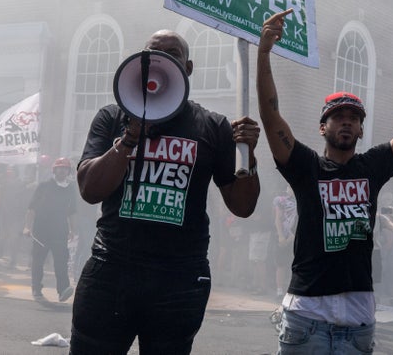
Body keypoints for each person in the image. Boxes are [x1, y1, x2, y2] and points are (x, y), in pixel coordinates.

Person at [256, 9, 393, 353]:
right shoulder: (305, 167)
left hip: (358, 319)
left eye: (353, 118)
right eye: (337, 118)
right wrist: (263, 52)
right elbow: (270, 114)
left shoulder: (373, 166)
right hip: (306, 314)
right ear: (323, 127)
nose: (345, 123)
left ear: (361, 129)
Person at [70, 30, 261, 355]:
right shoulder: (112, 116)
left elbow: (242, 206)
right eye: (151, 55)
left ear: (187, 67)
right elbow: (90, 189)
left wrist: (249, 154)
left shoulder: (212, 126)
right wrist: (130, 137)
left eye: (172, 53)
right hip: (112, 269)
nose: (161, 62)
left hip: (179, 279)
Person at [23, 157, 77, 302]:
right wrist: (27, 227)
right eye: (59, 168)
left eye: (65, 168)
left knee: (61, 261)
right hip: (41, 230)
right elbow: (31, 208)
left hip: (60, 231)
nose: (62, 171)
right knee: (38, 261)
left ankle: (63, 290)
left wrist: (73, 230)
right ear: (54, 170)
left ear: (68, 171)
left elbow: (71, 212)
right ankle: (36, 288)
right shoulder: (44, 186)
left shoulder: (70, 189)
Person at [273, 188, 297, 300]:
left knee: (294, 264)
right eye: (288, 187)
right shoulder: (281, 200)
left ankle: (292, 289)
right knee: (281, 264)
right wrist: (281, 236)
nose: (290, 189)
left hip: (297, 236)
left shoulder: (301, 198)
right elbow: (278, 218)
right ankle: (279, 290)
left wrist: (292, 237)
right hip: (284, 235)